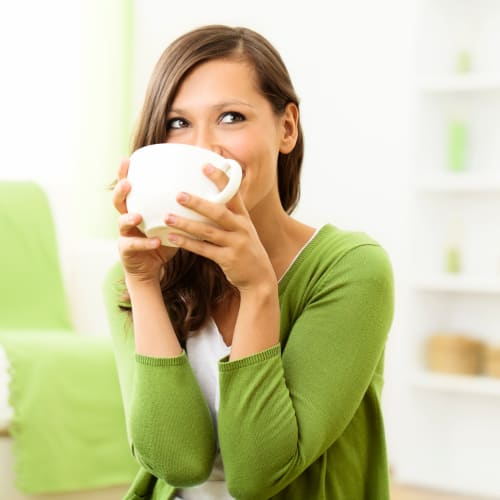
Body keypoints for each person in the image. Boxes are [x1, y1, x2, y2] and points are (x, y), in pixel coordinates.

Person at [105, 24, 394, 500]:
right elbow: (178, 462)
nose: (203, 148)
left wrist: (258, 289)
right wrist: (143, 286)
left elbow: (259, 473)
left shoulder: (352, 269)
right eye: (178, 123)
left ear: (286, 128)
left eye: (231, 117)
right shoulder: (131, 276)